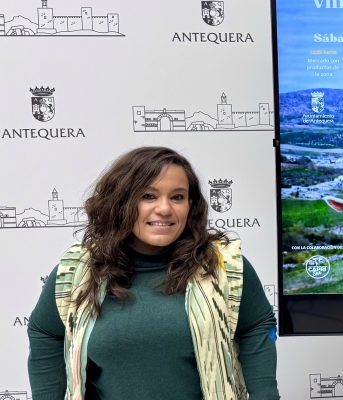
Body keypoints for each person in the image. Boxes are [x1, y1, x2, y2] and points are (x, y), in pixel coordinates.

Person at [28, 146, 280, 400]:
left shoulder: (224, 266)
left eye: (178, 197)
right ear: (122, 202)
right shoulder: (79, 270)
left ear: (190, 205)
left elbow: (257, 327)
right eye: (148, 196)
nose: (165, 209)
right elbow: (45, 332)